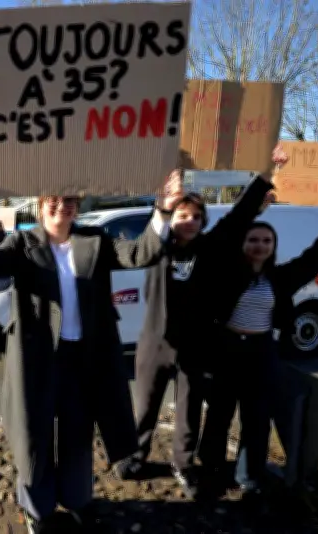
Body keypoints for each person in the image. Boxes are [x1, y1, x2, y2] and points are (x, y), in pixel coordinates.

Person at [0, 175, 181, 532]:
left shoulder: (94, 240)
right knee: (34, 436)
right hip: (36, 360)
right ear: (40, 205)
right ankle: (38, 509)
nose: (61, 205)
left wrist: (163, 209)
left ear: (78, 207)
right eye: (53, 199)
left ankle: (77, 499)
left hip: (82, 360)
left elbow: (141, 253)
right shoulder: (22, 243)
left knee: (77, 436)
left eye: (69, 200)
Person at [118, 147, 286, 499]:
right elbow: (145, 241)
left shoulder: (210, 249)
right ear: (171, 217)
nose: (190, 221)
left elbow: (239, 216)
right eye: (183, 215)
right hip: (155, 343)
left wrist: (267, 173)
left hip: (196, 346)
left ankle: (183, 464)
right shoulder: (157, 246)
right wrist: (165, 202)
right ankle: (135, 457)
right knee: (145, 407)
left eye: (196, 216)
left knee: (189, 412)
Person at [199, 186, 318, 507]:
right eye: (253, 239)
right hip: (226, 351)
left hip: (262, 352)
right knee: (219, 415)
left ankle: (249, 477)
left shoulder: (280, 278)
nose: (259, 245)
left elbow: (316, 256)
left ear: (273, 247)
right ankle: (211, 471)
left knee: (257, 419)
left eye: (266, 241)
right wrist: (255, 209)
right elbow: (225, 234)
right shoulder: (227, 271)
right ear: (243, 243)